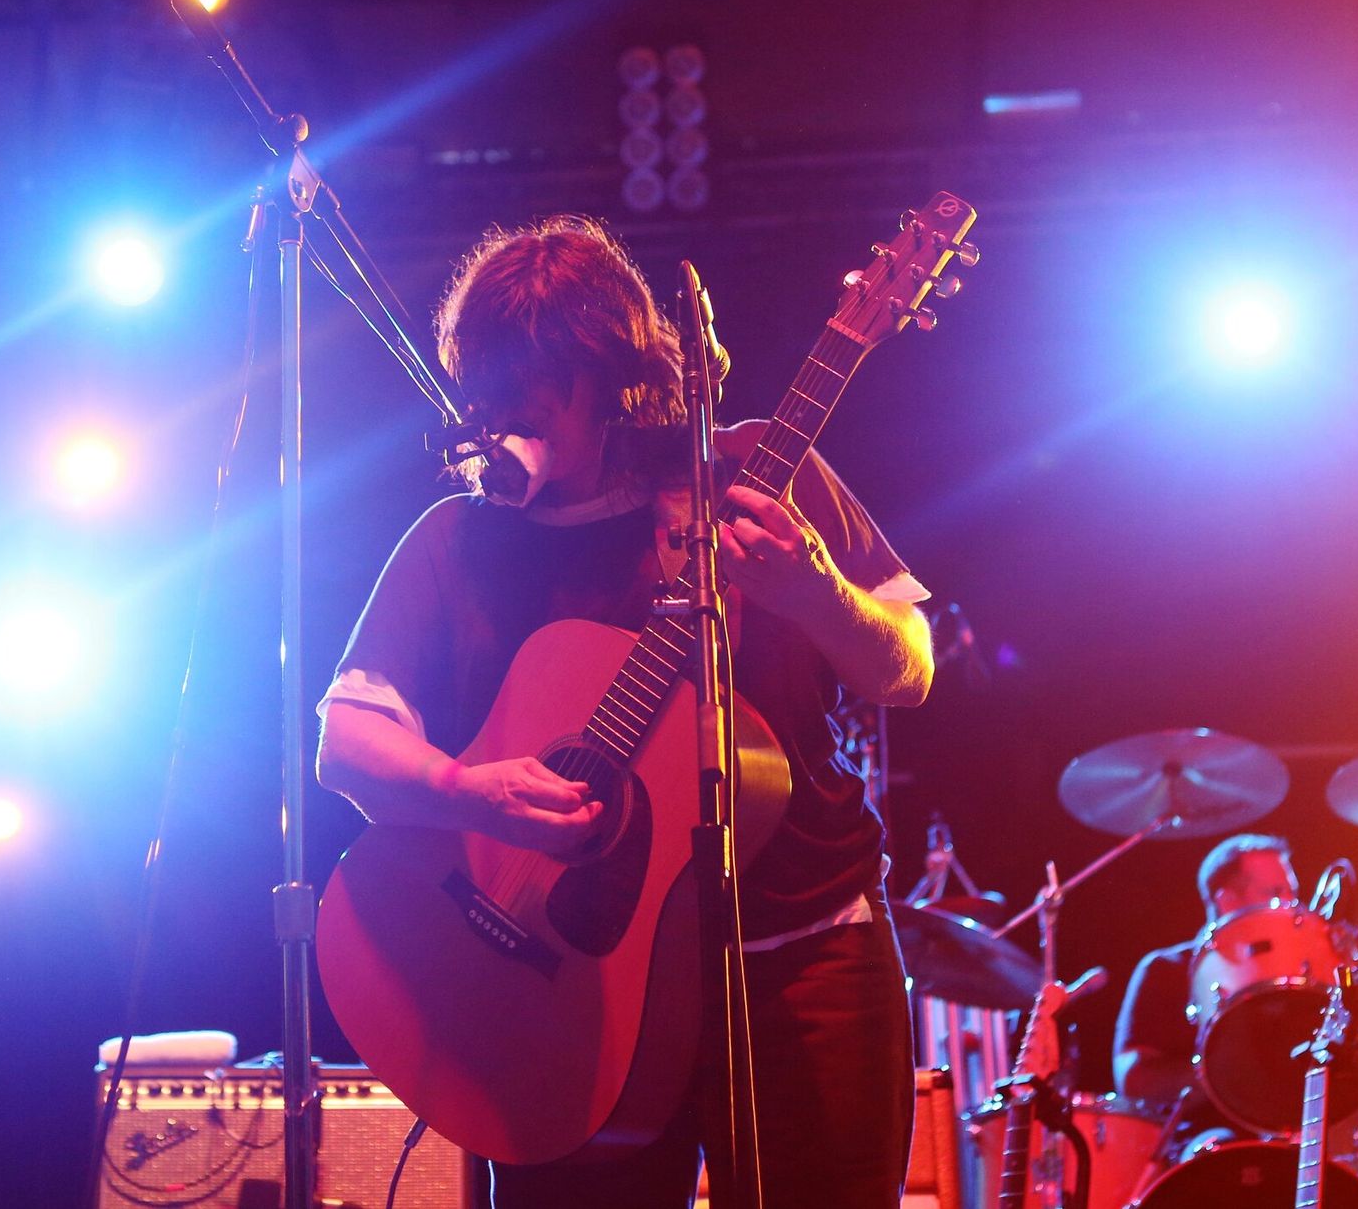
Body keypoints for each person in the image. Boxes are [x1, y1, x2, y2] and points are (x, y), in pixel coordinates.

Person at [314, 216, 935, 1209]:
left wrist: (815, 588)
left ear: (607, 375)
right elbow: (344, 741)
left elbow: (906, 669)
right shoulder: (454, 539)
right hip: (562, 986)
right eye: (485, 388)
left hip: (796, 958)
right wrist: (465, 788)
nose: (499, 415)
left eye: (530, 391)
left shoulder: (752, 474)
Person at [1111, 833, 1300, 1142]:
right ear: (1227, 902)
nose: (1290, 907)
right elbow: (1133, 1081)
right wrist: (1223, 1073)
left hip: (1294, 1137)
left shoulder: (1299, 979)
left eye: (1293, 895)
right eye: (1276, 893)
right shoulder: (1166, 969)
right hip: (1200, 1145)